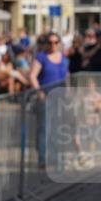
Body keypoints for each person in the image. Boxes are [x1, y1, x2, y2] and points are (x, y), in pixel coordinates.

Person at [30, 31, 70, 168]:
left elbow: (66, 75)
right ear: (46, 44)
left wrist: (68, 91)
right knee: (44, 128)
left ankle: (56, 157)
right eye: (50, 42)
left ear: (59, 43)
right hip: (46, 97)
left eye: (55, 42)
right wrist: (39, 92)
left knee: (57, 128)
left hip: (60, 98)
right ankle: (42, 158)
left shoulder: (63, 57)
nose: (53, 45)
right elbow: (32, 76)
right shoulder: (41, 57)